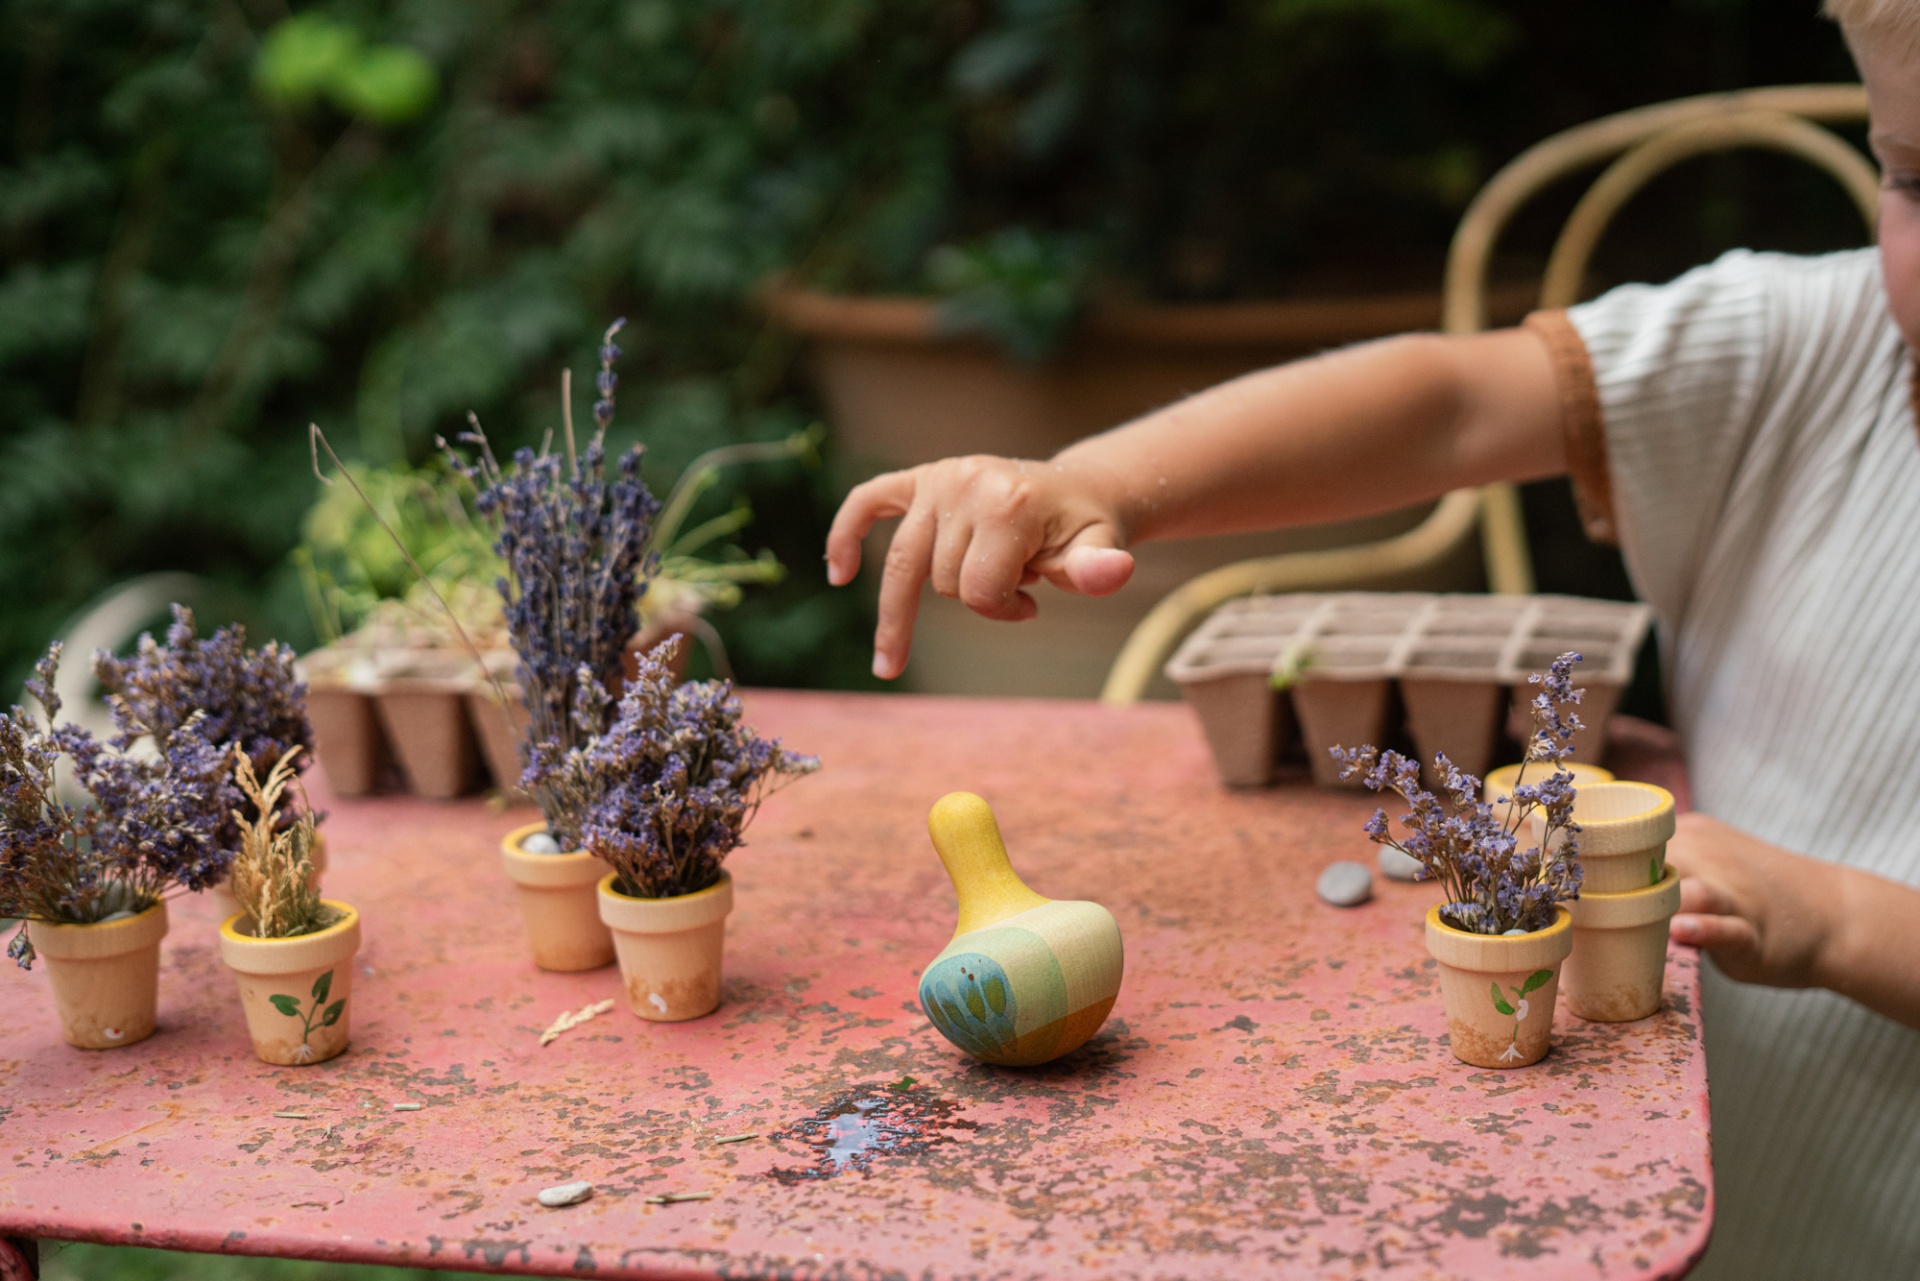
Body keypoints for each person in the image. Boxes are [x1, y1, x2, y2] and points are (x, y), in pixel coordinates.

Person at [825, 2, 1920, 1274]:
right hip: (1662, 1154)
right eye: (1913, 177)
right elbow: (1446, 405)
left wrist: (1838, 920)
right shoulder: (1811, 347)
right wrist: (1095, 481)